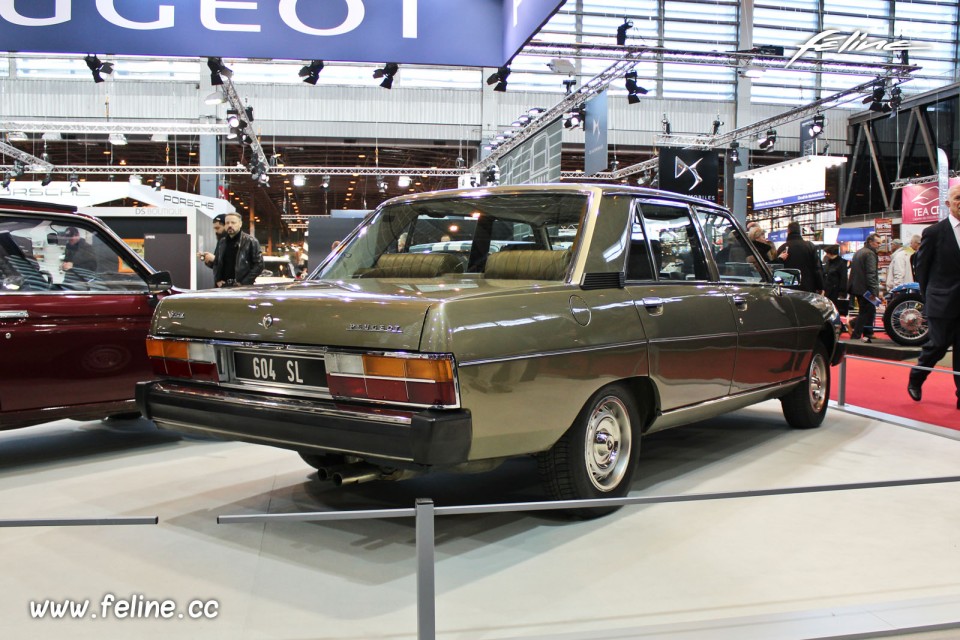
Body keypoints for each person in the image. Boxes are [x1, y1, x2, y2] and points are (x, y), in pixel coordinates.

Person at [907, 183, 960, 409]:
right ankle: (916, 377)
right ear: (949, 204)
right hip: (941, 302)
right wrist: (929, 299)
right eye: (958, 198)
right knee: (937, 346)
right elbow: (922, 270)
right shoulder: (934, 232)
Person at [211, 212, 263, 287]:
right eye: (227, 223)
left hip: (242, 288)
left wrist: (244, 283)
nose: (230, 225)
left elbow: (259, 265)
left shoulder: (251, 241)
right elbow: (216, 263)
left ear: (240, 224)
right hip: (223, 287)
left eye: (233, 223)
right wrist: (217, 280)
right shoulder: (221, 242)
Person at [849, 232, 881, 343]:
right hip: (866, 289)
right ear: (871, 242)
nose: (879, 245)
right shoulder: (870, 254)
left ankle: (868, 332)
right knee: (866, 311)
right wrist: (874, 292)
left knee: (870, 309)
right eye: (877, 243)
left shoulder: (859, 252)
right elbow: (871, 274)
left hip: (858, 288)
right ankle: (855, 334)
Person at [776, 221, 824, 293]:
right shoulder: (809, 246)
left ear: (788, 231)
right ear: (800, 231)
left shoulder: (782, 248)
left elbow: (779, 270)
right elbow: (817, 268)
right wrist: (820, 287)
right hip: (808, 287)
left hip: (788, 288)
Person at [822, 244, 848, 319]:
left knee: (835, 310)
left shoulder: (841, 263)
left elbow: (843, 278)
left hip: (835, 292)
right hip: (827, 290)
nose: (826, 254)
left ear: (831, 253)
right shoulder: (827, 261)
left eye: (827, 253)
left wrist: (842, 293)